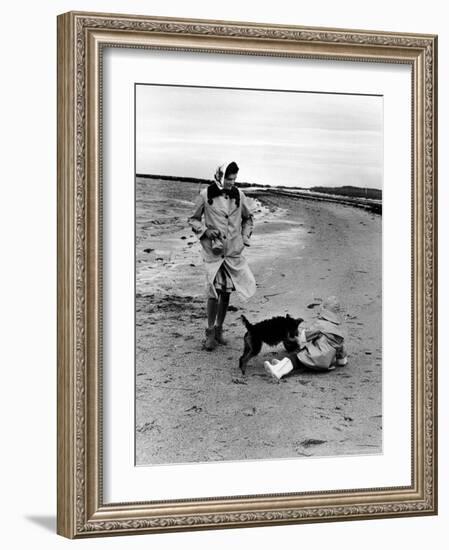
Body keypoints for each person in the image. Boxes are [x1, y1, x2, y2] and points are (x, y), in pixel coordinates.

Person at [188, 161, 256, 350]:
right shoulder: (205, 194)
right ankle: (209, 332)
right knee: (213, 292)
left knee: (225, 293)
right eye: (229, 178)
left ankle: (219, 329)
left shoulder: (239, 196)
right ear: (220, 176)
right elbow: (193, 219)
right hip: (214, 252)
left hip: (233, 252)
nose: (231, 182)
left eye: (234, 179)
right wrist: (205, 232)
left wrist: (244, 239)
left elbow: (248, 218)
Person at [264, 297, 348, 381]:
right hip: (326, 363)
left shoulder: (320, 324)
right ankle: (281, 365)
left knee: (295, 358)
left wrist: (297, 335)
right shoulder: (338, 331)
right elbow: (341, 355)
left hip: (315, 356)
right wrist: (341, 360)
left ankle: (277, 371)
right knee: (300, 364)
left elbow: (304, 336)